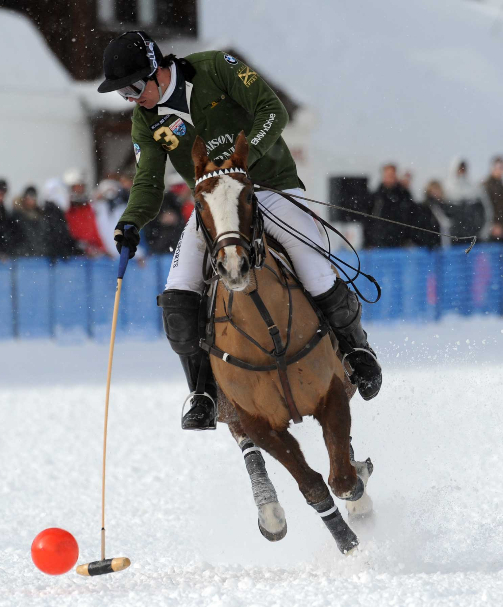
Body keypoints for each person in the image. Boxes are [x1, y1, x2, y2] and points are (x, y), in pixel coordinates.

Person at [96, 30, 382, 430]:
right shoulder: (146, 121)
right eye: (122, 94)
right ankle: (203, 391)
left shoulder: (215, 67)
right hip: (213, 204)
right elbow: (148, 181)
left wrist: (242, 160)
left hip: (269, 187)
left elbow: (272, 111)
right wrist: (130, 221)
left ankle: (356, 351)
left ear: (156, 69)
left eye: (132, 87)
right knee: (178, 290)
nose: (131, 98)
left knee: (314, 268)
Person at [483, 156, 503, 240]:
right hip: (487, 233)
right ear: (492, 168)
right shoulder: (484, 187)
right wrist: (492, 226)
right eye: (498, 168)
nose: (500, 171)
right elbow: (484, 210)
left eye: (502, 168)